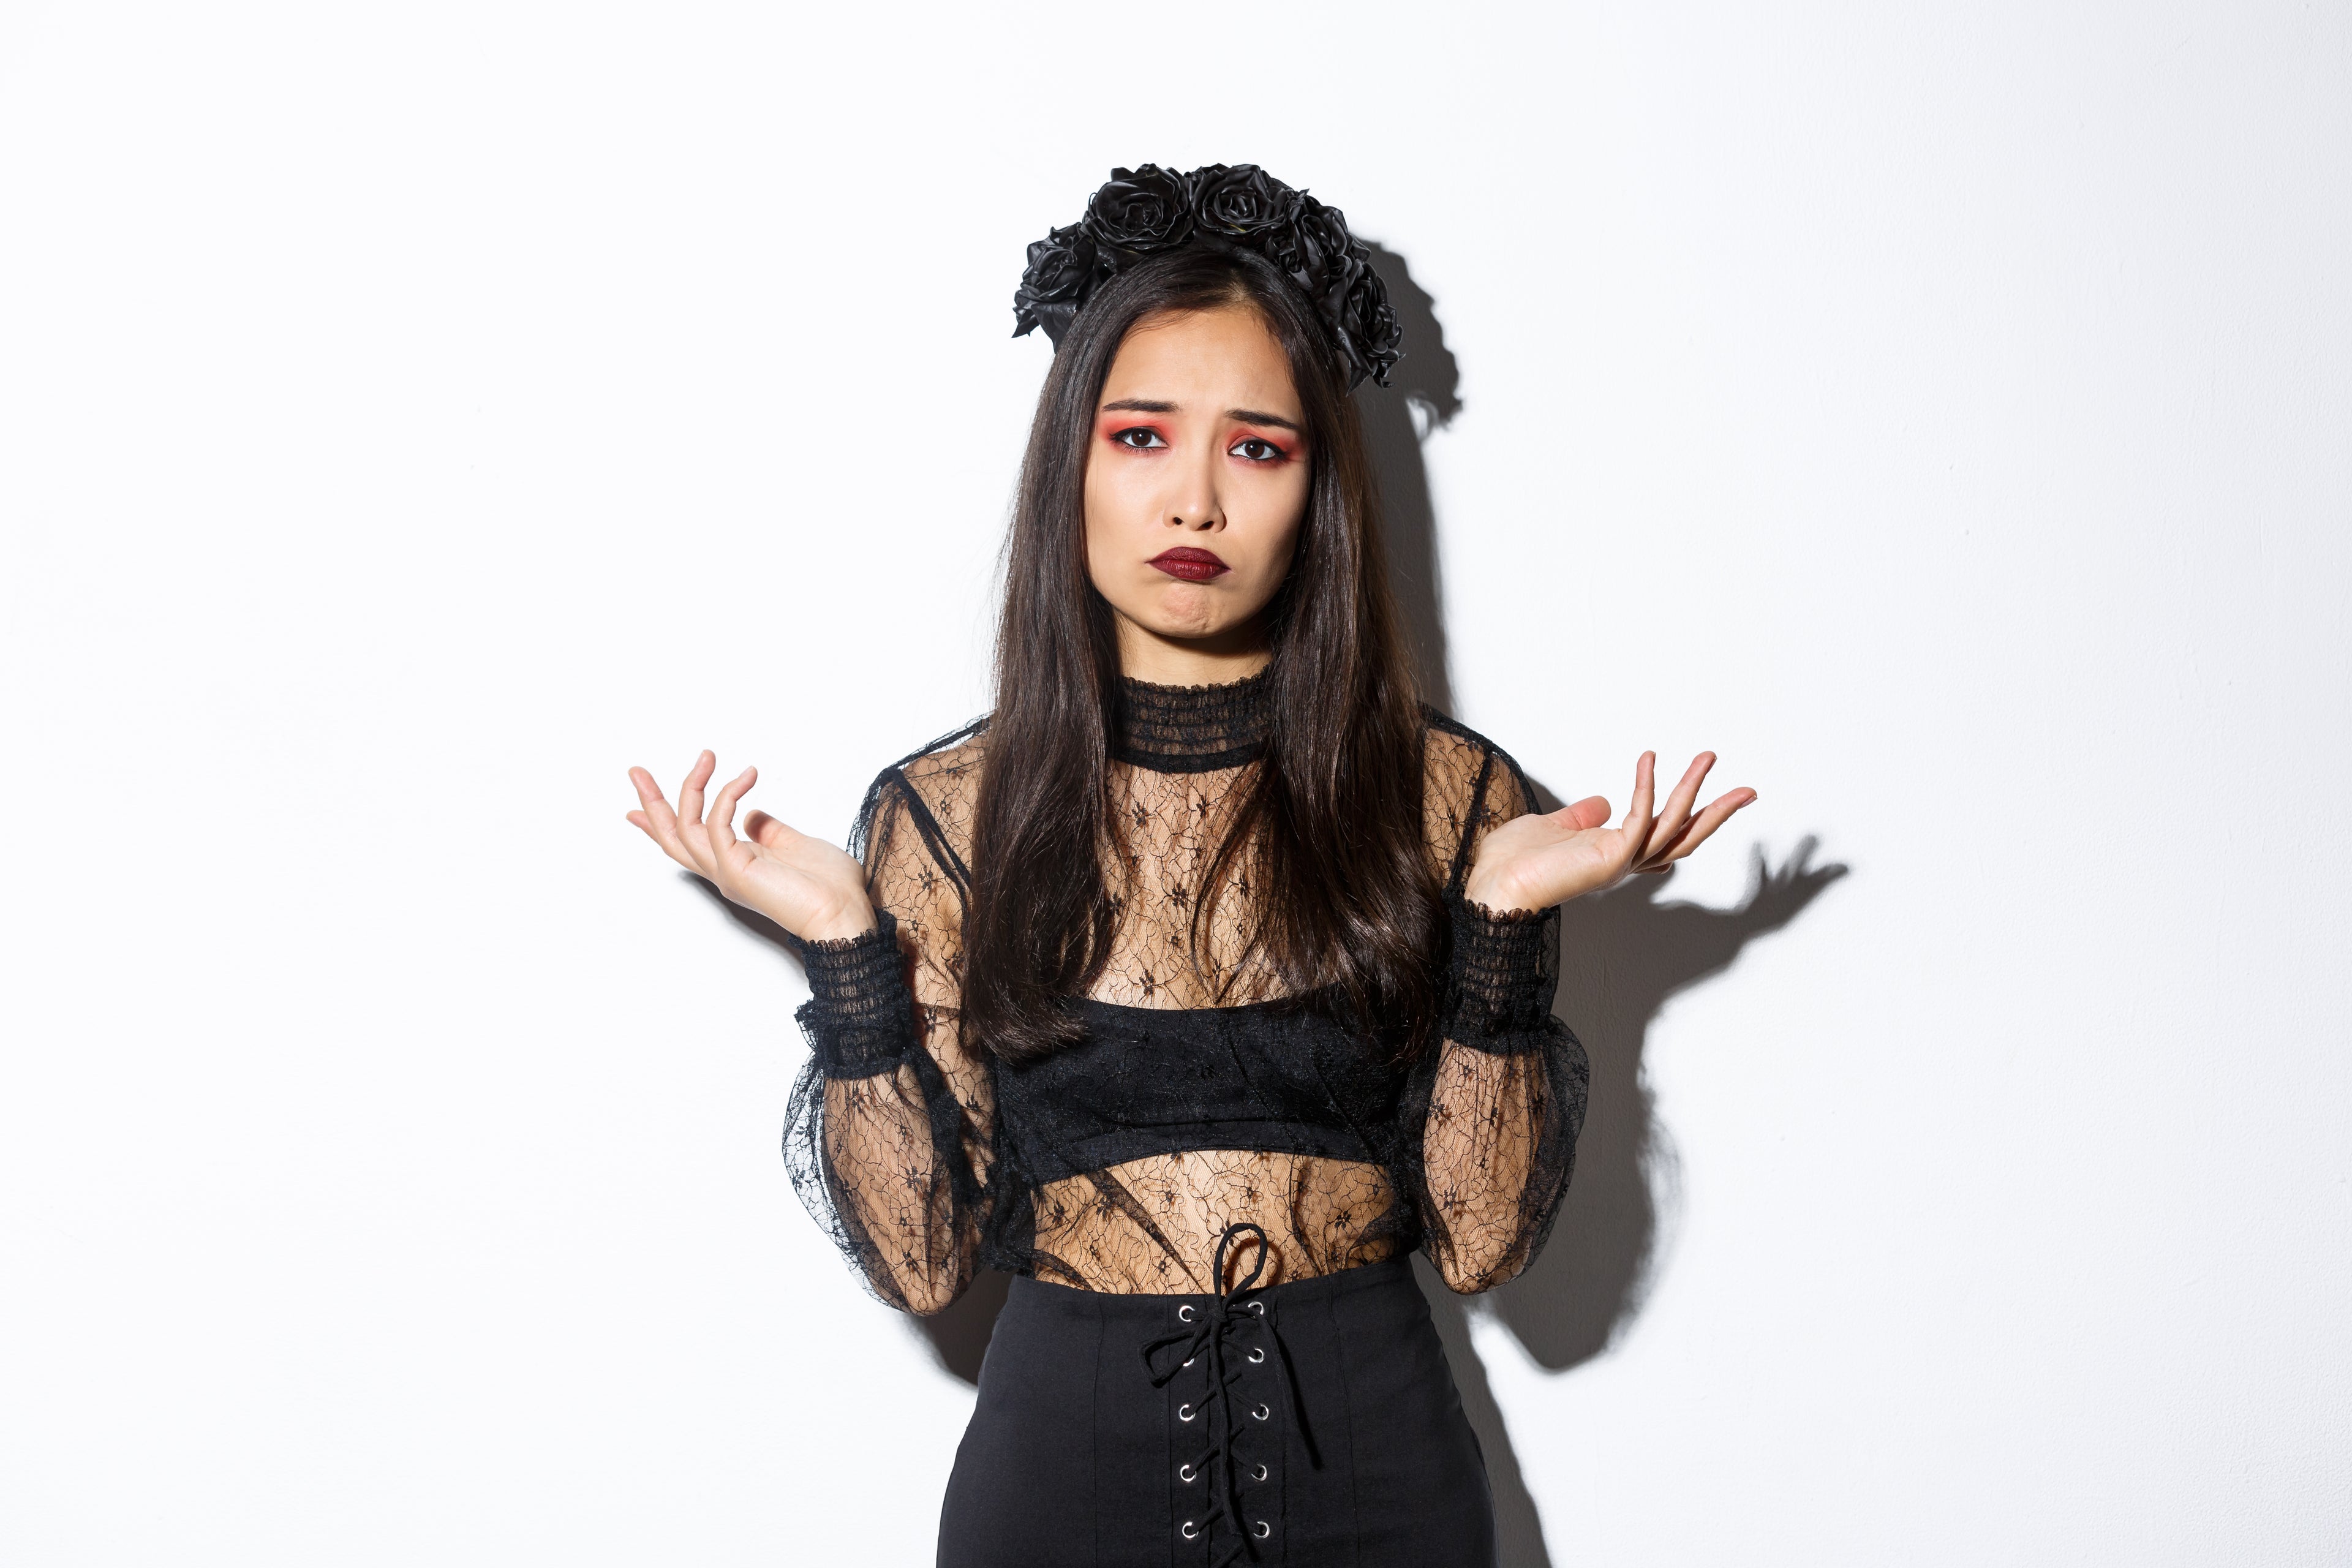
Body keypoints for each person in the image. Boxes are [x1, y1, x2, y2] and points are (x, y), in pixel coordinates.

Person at [625, 164, 1754, 1567]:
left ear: (1319, 490)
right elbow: (921, 1263)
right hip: (1057, 1490)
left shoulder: (1457, 800)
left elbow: (1484, 1246)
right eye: (1144, 435)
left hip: (1381, 1481)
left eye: (1260, 448)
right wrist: (851, 953)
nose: (1198, 501)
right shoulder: (943, 813)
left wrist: (1506, 927)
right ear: (1073, 466)